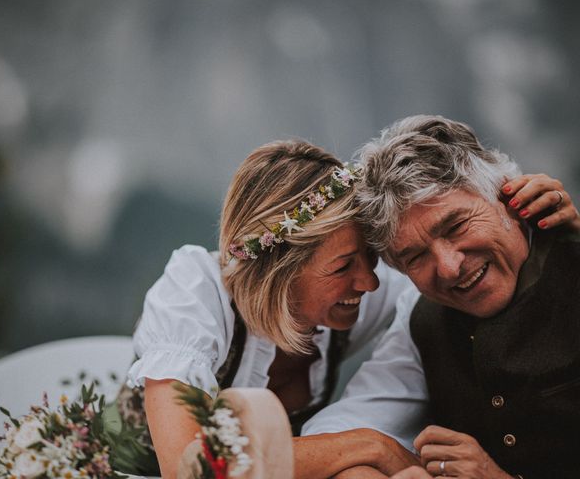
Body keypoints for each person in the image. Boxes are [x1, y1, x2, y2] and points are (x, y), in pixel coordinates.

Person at [123, 139, 575, 479]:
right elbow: (190, 464)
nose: (370, 282)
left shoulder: (366, 292)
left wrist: (547, 231)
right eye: (343, 267)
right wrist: (370, 445)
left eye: (373, 259)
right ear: (279, 273)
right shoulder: (194, 293)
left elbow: (450, 281)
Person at [302, 115, 580, 478]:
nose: (449, 268)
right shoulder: (421, 319)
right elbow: (342, 428)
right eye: (415, 257)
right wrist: (377, 452)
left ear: (506, 195)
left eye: (457, 226)